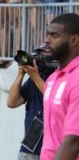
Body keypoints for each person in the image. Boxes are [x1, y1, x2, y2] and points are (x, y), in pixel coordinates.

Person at [40, 13, 79, 160]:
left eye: (54, 36)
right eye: (47, 34)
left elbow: (74, 141)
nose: (46, 40)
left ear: (74, 39)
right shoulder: (53, 77)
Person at [7, 47, 56, 160]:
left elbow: (52, 98)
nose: (36, 61)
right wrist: (21, 74)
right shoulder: (33, 80)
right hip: (30, 147)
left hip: (53, 148)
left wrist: (35, 76)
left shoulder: (59, 79)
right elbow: (11, 102)